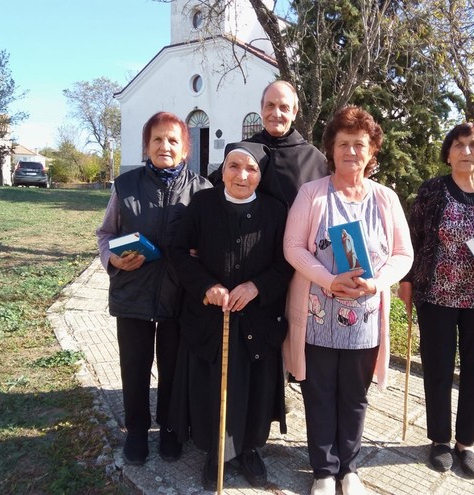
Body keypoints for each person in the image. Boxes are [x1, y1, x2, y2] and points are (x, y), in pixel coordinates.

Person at [283, 106, 414, 495]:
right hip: (317, 314)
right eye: (344, 144)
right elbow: (292, 247)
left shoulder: (386, 199)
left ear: (372, 151)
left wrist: (377, 283)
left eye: (360, 145)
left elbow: (403, 255)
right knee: (319, 394)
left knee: (355, 397)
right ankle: (324, 471)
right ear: (331, 149)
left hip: (366, 319)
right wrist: (327, 278)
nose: (351, 152)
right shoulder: (311, 194)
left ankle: (350, 469)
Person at [397, 122, 474, 479]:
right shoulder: (433, 190)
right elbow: (413, 238)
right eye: (459, 145)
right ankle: (439, 441)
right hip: (437, 296)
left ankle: (466, 443)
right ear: (448, 153)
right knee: (437, 369)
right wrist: (406, 280)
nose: (467, 151)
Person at [169, 142, 293, 490]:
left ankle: (249, 449)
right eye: (233, 166)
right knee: (212, 384)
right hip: (211, 316)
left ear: (260, 175)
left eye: (251, 169)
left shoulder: (275, 211)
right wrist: (206, 286)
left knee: (254, 385)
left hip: (257, 318)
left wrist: (256, 287)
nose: (241, 175)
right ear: (221, 171)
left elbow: (285, 264)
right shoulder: (202, 204)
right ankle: (217, 451)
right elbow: (179, 251)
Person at [96, 111, 212, 465]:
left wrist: (200, 253)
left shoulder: (203, 190)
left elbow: (211, 241)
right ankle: (136, 430)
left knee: (174, 365)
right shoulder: (125, 185)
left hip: (180, 296)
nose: (165, 146)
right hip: (133, 292)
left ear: (186, 148)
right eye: (158, 139)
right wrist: (112, 261)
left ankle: (171, 428)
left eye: (173, 140)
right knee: (134, 365)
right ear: (146, 145)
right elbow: (105, 234)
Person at [211, 80, 328, 207]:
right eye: (270, 106)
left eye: (284, 107)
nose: (276, 114)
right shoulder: (242, 152)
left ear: (294, 112)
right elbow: (216, 194)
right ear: (262, 110)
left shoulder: (313, 160)